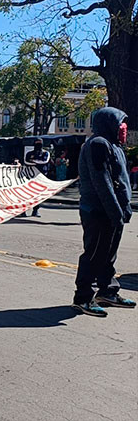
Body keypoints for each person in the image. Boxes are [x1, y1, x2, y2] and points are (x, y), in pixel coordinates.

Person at [72, 108, 135, 317]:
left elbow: (121, 181)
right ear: (109, 123)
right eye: (120, 123)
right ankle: (82, 297)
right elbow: (102, 181)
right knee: (95, 254)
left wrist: (123, 210)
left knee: (108, 255)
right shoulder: (98, 144)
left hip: (113, 212)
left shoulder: (114, 146)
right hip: (99, 211)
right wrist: (115, 212)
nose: (123, 128)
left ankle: (107, 291)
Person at [24, 139, 51, 217]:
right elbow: (26, 162)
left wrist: (34, 161)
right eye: (36, 144)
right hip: (30, 177)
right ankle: (24, 211)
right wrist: (36, 161)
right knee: (27, 195)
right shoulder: (29, 153)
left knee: (38, 195)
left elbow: (44, 161)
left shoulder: (46, 153)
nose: (38, 145)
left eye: (39, 144)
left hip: (41, 177)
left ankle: (35, 210)